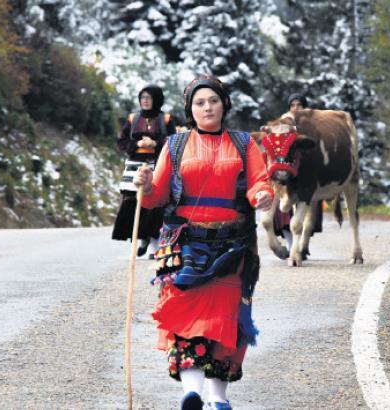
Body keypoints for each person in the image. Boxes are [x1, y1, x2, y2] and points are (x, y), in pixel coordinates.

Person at [133, 74, 273, 410]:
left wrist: (264, 195)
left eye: (212, 100)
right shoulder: (175, 146)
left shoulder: (244, 144)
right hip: (184, 246)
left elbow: (258, 183)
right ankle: (191, 394)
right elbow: (156, 198)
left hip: (232, 247)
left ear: (224, 104)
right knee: (185, 320)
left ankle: (218, 398)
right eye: (199, 102)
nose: (207, 107)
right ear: (190, 109)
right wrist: (146, 185)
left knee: (225, 323)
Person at [112, 85, 176, 257]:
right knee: (133, 201)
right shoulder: (133, 118)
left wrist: (156, 144)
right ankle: (142, 237)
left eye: (149, 97)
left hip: (158, 163)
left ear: (156, 99)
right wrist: (138, 144)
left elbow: (174, 142)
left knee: (155, 203)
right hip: (135, 165)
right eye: (142, 98)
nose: (145, 101)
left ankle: (155, 241)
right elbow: (122, 141)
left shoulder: (167, 119)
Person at [272, 93, 323, 253]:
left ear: (304, 107)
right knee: (282, 209)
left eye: (299, 105)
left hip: (306, 171)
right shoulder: (281, 124)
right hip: (286, 172)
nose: (296, 108)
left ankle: (302, 243)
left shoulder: (312, 125)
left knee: (308, 205)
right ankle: (290, 243)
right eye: (293, 105)